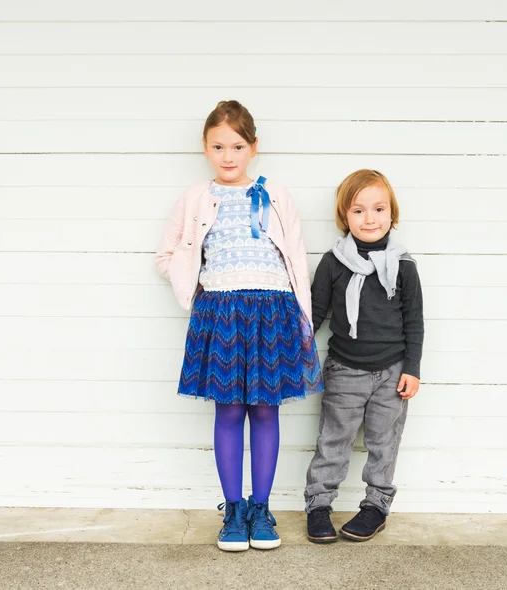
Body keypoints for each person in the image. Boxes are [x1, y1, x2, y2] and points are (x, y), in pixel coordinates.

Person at [155, 100, 322, 552]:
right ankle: (232, 510)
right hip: (221, 312)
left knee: (265, 409)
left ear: (254, 148)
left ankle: (261, 508)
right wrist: (196, 288)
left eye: (237, 146)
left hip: (272, 311)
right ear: (205, 149)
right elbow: (167, 254)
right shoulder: (194, 198)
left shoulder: (277, 196)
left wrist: (301, 316)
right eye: (218, 146)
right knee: (228, 409)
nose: (228, 156)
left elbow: (298, 258)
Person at [304, 169, 424, 543]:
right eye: (358, 211)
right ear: (345, 217)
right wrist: (299, 359)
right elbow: (314, 316)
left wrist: (413, 370)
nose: (369, 218)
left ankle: (376, 506)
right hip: (344, 369)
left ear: (392, 214)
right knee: (333, 440)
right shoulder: (333, 262)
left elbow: (414, 322)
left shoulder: (403, 265)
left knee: (383, 442)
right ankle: (319, 504)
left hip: (392, 372)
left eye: (378, 209)